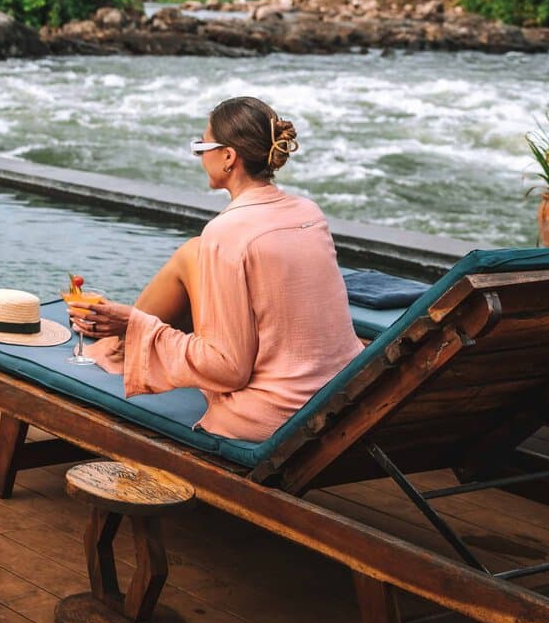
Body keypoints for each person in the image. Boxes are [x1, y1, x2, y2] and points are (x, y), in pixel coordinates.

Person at [75, 96, 363, 441]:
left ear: (228, 156)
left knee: (193, 255)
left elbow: (228, 371)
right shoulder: (308, 212)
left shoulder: (227, 232)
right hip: (342, 393)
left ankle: (124, 342)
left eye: (201, 145)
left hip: (279, 413)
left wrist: (134, 322)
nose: (199, 155)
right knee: (192, 252)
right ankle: (124, 344)